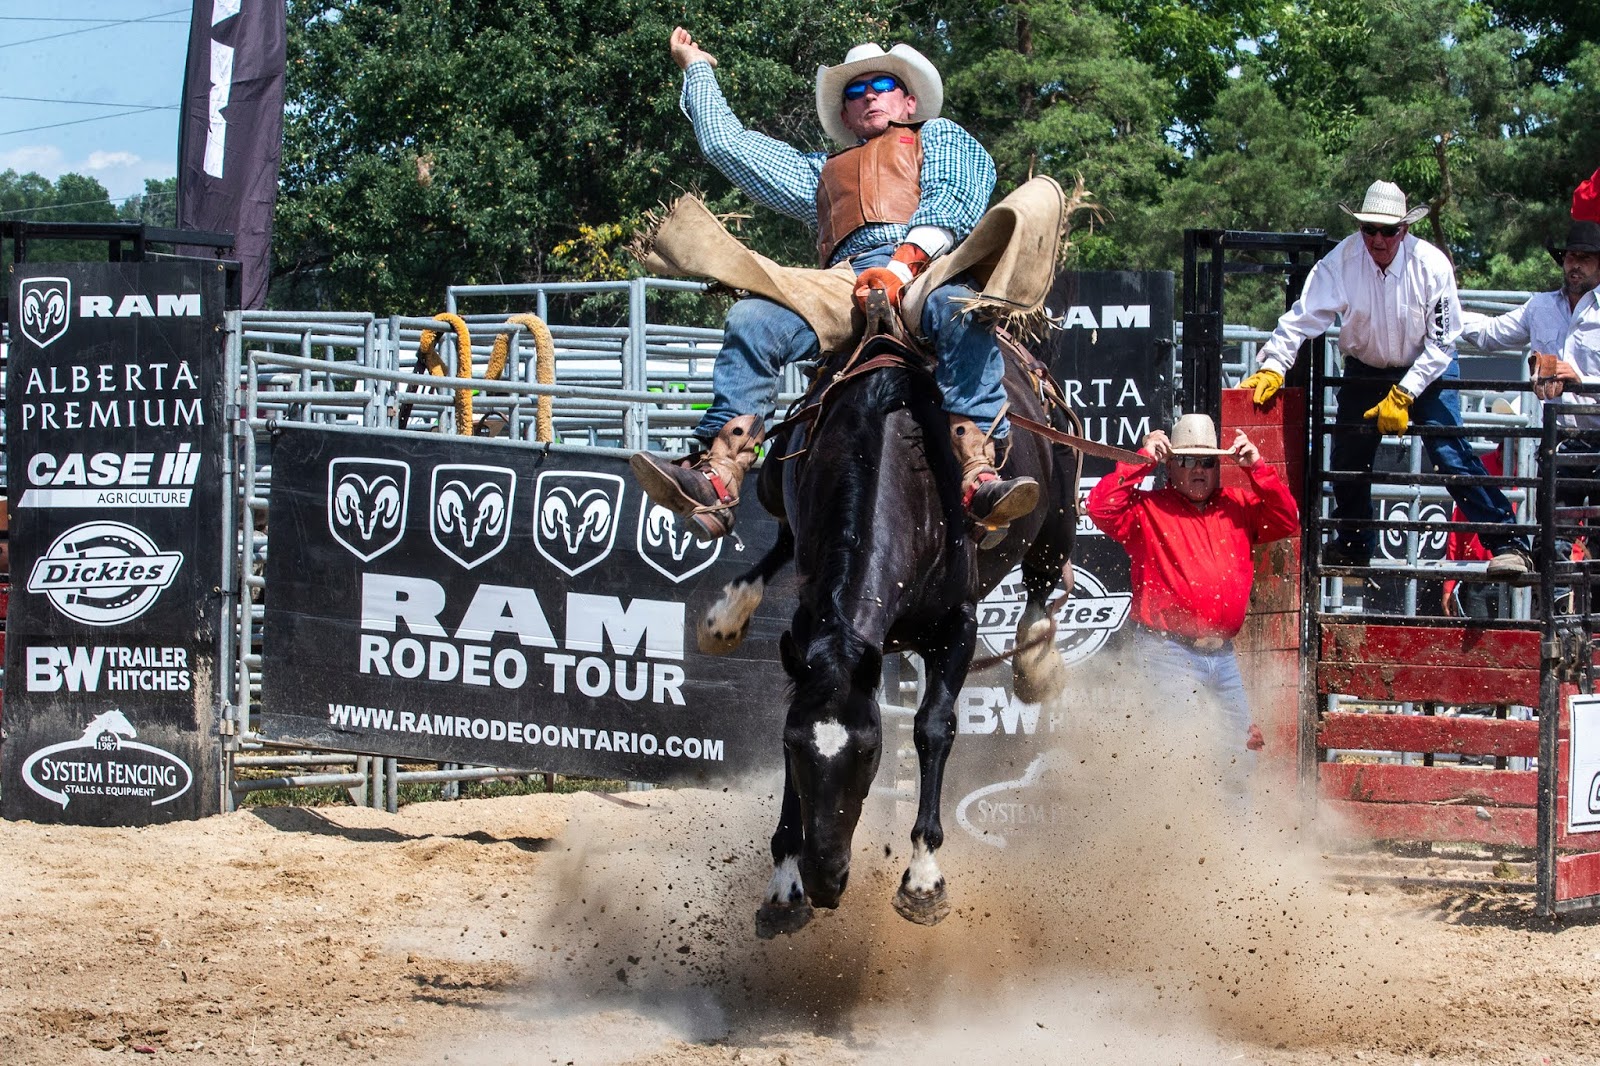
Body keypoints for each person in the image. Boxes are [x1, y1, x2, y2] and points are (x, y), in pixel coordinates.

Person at [629, 30, 1037, 539]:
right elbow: (727, 145)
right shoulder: (821, 172)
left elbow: (952, 200)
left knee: (956, 306)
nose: (868, 94)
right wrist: (697, 68)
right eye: (854, 91)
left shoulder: (940, 136)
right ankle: (720, 474)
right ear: (845, 116)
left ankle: (978, 469)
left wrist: (900, 268)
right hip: (843, 281)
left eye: (883, 84)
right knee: (751, 319)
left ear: (909, 100)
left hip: (932, 267)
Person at [1238, 179, 1533, 577]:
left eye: (1388, 230)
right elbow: (1302, 317)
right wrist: (1274, 364)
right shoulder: (1341, 262)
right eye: (1369, 229)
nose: (1378, 238)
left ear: (1404, 230)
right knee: (1346, 458)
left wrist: (1405, 392)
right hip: (1367, 367)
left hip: (1427, 368)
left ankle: (1509, 542)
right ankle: (1354, 544)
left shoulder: (1432, 266)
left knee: (1450, 455)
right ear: (1361, 228)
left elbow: (1443, 343)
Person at [1086, 414, 1299, 797]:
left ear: (1219, 466)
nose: (1198, 469)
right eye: (1186, 460)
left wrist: (1257, 468)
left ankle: (1232, 847)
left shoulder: (1238, 505)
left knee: (1240, 756)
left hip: (1222, 654)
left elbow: (1287, 519)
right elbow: (1101, 509)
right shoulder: (1146, 510)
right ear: (1170, 466)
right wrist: (1140, 461)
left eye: (1207, 461)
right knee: (1182, 752)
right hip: (1167, 650)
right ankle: (1177, 841)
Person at [1461, 219, 1600, 559]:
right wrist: (1443, 313)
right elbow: (1489, 334)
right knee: (1552, 542)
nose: (1575, 264)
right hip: (1560, 440)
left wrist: (1581, 378)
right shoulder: (1540, 307)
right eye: (1570, 257)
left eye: (1584, 257)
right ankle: (1551, 609)